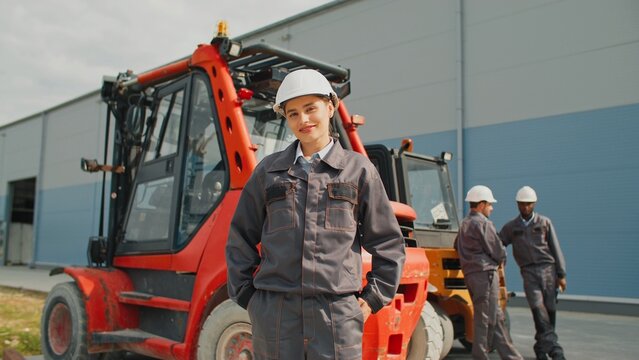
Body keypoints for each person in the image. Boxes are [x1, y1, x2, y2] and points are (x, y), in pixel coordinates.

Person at [226, 69, 406, 359]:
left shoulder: (358, 171)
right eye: (293, 113)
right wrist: (249, 297)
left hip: (336, 316)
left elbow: (388, 243)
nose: (303, 120)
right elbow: (239, 238)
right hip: (276, 315)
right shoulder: (267, 172)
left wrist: (372, 299)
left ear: (331, 107)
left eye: (311, 109)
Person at [455, 185, 523, 360]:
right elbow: (498, 250)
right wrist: (500, 260)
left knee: (495, 317)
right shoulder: (483, 223)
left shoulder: (464, 224)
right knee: (486, 318)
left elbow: (457, 246)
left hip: (471, 275)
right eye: (490, 205)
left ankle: (511, 357)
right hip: (485, 275)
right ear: (481, 204)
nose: (491, 208)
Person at [499, 186, 567, 360]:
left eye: (529, 204)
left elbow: (555, 248)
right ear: (517, 204)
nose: (525, 207)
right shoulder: (511, 227)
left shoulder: (544, 223)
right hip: (529, 272)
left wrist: (561, 274)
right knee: (538, 309)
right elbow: (498, 244)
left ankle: (541, 348)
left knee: (550, 311)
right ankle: (555, 351)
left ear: (534, 204)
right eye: (522, 204)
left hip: (548, 271)